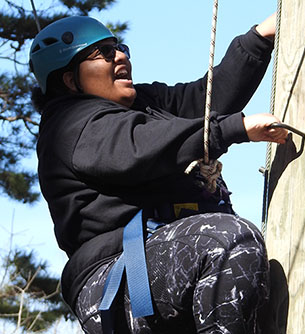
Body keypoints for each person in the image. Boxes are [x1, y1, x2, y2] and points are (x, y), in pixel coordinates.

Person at [30, 13, 288, 334]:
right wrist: (233, 129)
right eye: (105, 53)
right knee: (229, 241)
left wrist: (261, 37)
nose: (121, 56)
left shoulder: (146, 103)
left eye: (120, 47)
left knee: (267, 282)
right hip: (118, 281)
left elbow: (207, 100)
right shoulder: (70, 123)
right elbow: (139, 146)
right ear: (70, 80)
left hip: (172, 264)